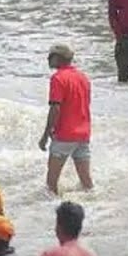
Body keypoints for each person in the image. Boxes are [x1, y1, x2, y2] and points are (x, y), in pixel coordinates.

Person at [37, 44, 93, 195]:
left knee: (51, 185)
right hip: (83, 134)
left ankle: (51, 213)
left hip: (64, 135)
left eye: (51, 56)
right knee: (87, 184)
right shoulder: (83, 77)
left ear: (58, 58)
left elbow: (55, 108)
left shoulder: (58, 78)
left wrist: (45, 135)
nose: (48, 59)